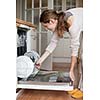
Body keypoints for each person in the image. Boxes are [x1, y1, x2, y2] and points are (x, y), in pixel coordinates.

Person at [35, 7, 83, 98]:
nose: (46, 29)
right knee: (81, 57)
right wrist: (40, 60)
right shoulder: (58, 23)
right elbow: (52, 44)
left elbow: (74, 49)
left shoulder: (70, 22)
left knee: (85, 56)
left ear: (52, 21)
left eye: (45, 26)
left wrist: (71, 70)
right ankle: (79, 88)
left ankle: (84, 89)